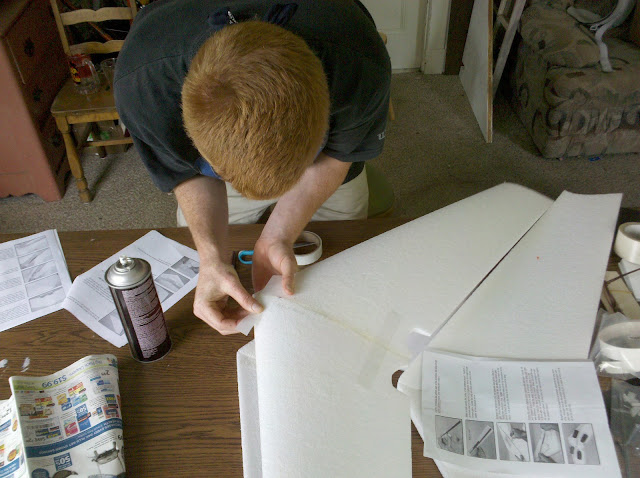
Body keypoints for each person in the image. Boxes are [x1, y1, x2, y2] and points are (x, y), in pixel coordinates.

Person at [114, 0, 391, 335]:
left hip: (324, 155)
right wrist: (212, 259)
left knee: (346, 254)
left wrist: (280, 233)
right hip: (169, 70)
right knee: (207, 251)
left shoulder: (360, 62)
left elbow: (338, 155)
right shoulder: (143, 86)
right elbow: (182, 170)